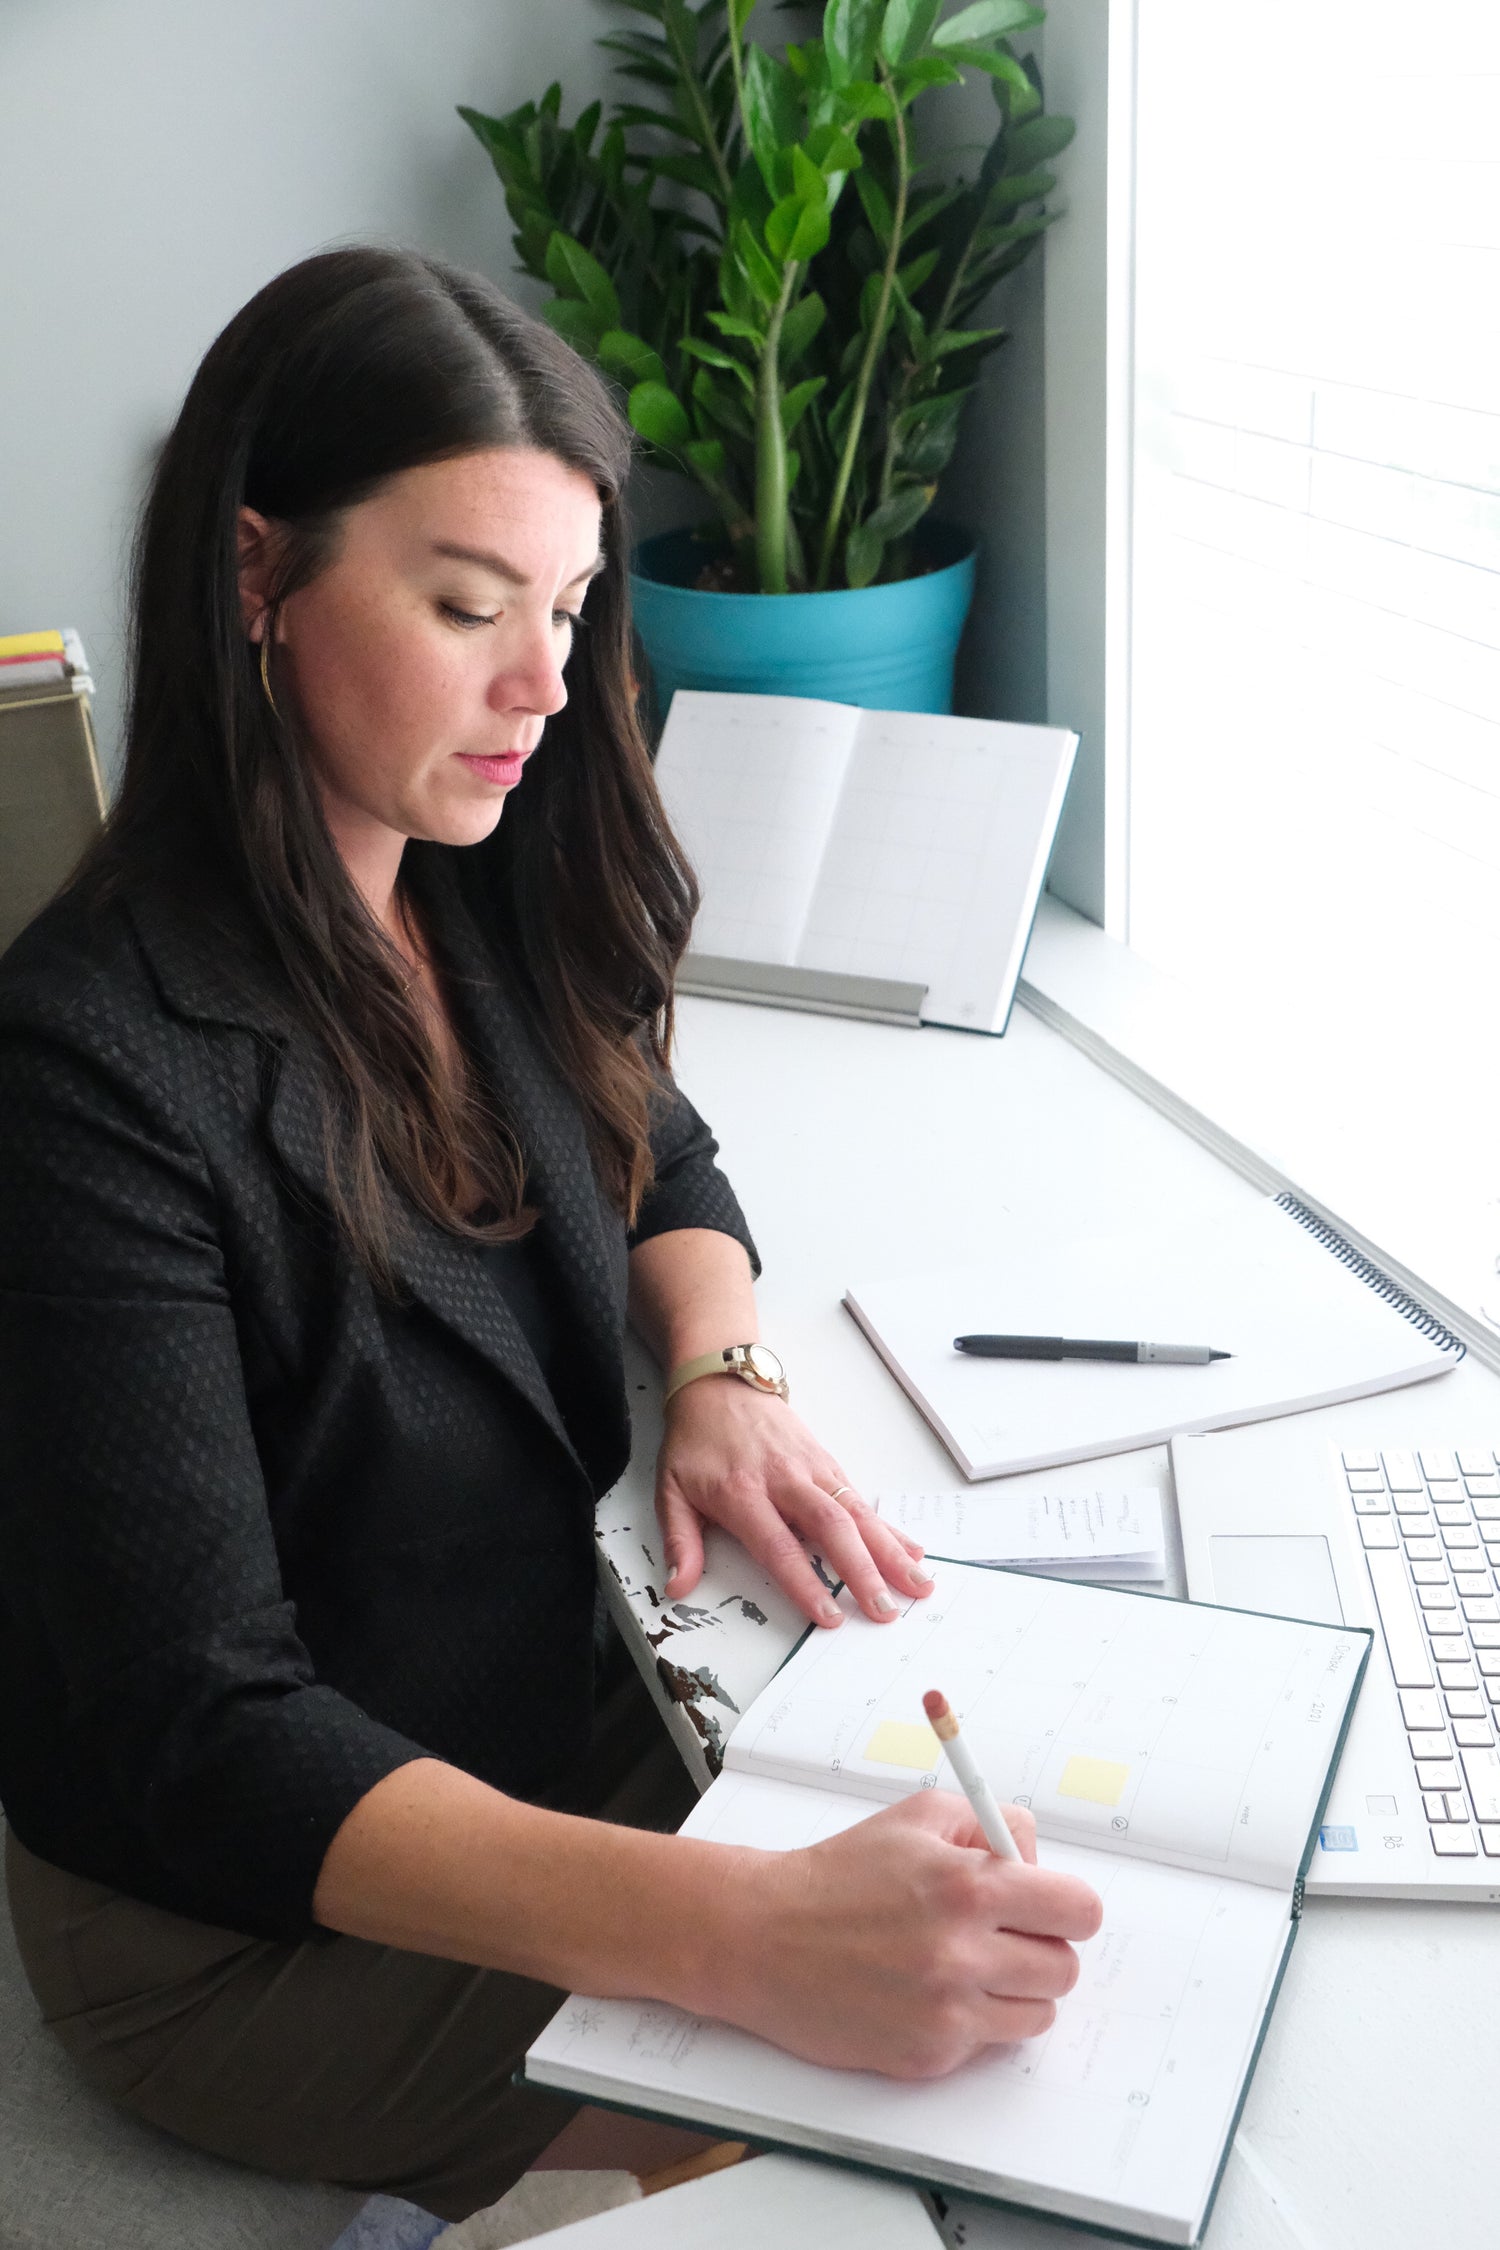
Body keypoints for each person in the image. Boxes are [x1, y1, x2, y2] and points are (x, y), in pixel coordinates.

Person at [0, 248, 1101, 2222]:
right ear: (255, 574)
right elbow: (209, 1729)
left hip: (528, 1693)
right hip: (261, 1912)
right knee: (937, 2119)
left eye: (573, 610)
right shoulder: (83, 1077)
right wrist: (734, 1934)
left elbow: (655, 1141)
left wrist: (722, 1368)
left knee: (1018, 1889)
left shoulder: (465, 867)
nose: (541, 682)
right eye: (465, 604)